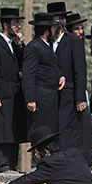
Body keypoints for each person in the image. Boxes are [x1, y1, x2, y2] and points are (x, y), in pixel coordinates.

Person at [0, 7, 28, 173]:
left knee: (13, 127)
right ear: (5, 24)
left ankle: (12, 163)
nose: (18, 26)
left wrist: (21, 44)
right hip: (1, 93)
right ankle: (2, 163)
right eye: (15, 23)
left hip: (15, 93)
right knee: (2, 128)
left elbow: (24, 62)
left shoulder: (13, 44)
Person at [47, 3, 87, 150]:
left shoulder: (73, 41)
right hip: (51, 95)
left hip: (69, 94)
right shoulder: (47, 42)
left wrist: (79, 98)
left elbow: (80, 71)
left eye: (58, 20)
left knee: (67, 129)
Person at [22, 12, 64, 140]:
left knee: (50, 135)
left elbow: (50, 66)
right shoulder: (34, 47)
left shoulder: (47, 46)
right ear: (47, 31)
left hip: (50, 98)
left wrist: (60, 75)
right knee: (41, 136)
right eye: (52, 28)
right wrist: (30, 99)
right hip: (40, 98)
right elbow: (28, 74)